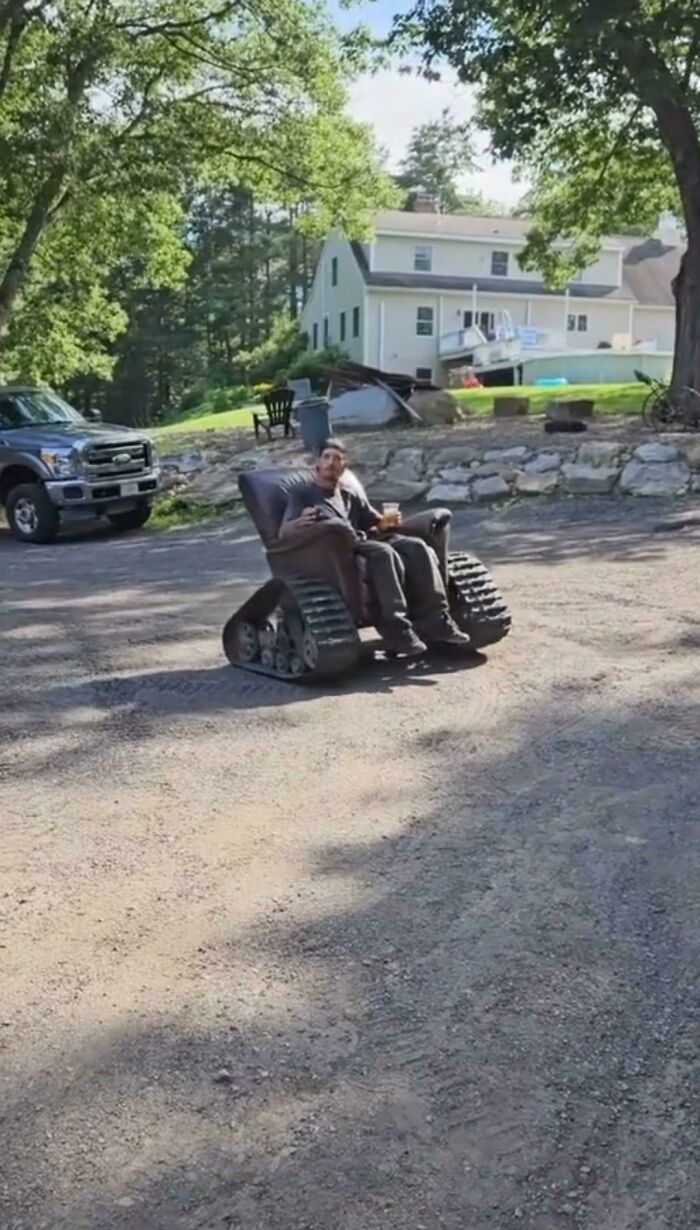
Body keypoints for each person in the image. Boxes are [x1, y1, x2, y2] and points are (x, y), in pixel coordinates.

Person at [281, 438, 471, 657]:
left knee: (416, 546)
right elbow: (284, 532)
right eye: (327, 457)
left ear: (343, 467)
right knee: (384, 553)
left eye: (338, 459)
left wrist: (389, 521)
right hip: (339, 550)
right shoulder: (302, 495)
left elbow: (376, 522)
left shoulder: (349, 495)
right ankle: (396, 629)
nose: (331, 462)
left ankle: (436, 620)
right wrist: (300, 522)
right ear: (317, 462)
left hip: (367, 540)